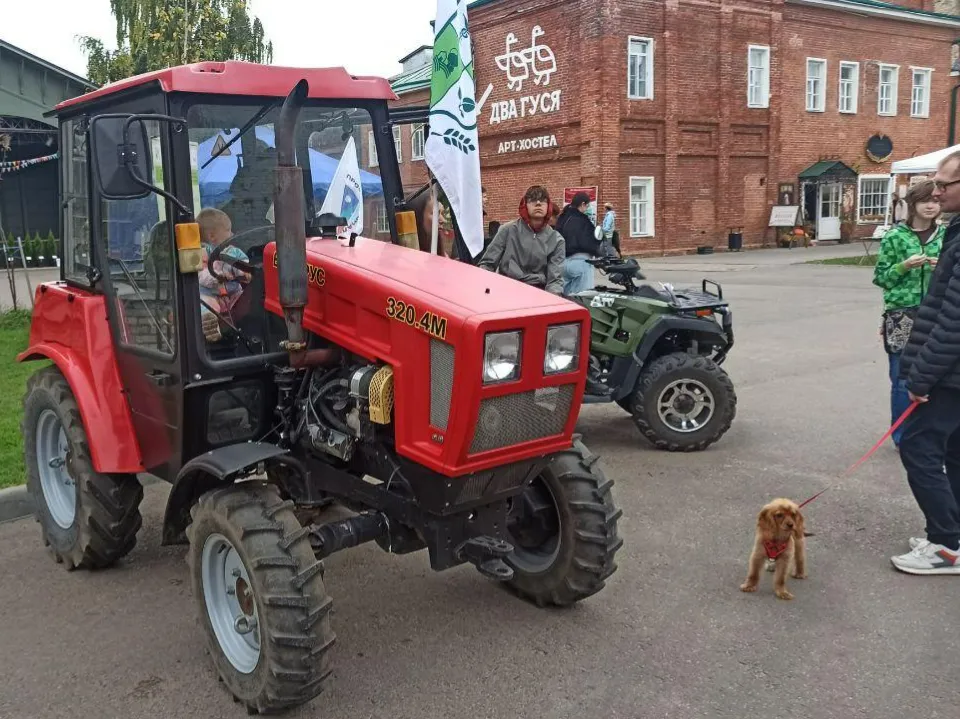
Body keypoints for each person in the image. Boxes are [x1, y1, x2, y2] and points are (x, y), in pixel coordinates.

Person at [889, 151, 960, 575]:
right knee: (954, 449)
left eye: (945, 184)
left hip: (950, 374)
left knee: (918, 446)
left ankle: (945, 545)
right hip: (949, 370)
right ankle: (951, 534)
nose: (936, 192)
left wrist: (921, 377)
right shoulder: (954, 231)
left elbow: (953, 320)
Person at [872, 179, 944, 448]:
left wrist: (942, 268)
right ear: (912, 204)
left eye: (936, 201)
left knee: (935, 375)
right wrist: (903, 266)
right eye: (925, 200)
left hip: (938, 313)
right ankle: (902, 436)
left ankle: (930, 432)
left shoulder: (946, 236)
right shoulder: (895, 236)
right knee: (902, 377)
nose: (931, 206)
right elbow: (881, 278)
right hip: (901, 314)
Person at [478, 185, 565, 294]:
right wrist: (483, 290)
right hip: (506, 290)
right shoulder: (508, 230)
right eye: (532, 199)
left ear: (549, 206)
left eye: (543, 200)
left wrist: (552, 301)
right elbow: (487, 264)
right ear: (524, 205)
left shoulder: (556, 240)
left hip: (538, 292)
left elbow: (555, 280)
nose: (538, 203)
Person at [196, 207, 252, 341]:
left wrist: (244, 272)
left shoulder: (234, 251)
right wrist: (216, 276)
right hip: (212, 295)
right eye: (228, 230)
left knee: (249, 299)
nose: (232, 234)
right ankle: (210, 326)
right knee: (204, 303)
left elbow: (243, 263)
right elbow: (200, 276)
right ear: (212, 236)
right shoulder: (201, 253)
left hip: (233, 294)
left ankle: (248, 332)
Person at [556, 191, 602, 295]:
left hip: (561, 263)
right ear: (582, 204)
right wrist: (600, 254)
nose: (587, 208)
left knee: (565, 299)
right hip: (580, 263)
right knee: (583, 297)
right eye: (587, 205)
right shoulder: (582, 220)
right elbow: (590, 241)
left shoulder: (562, 218)